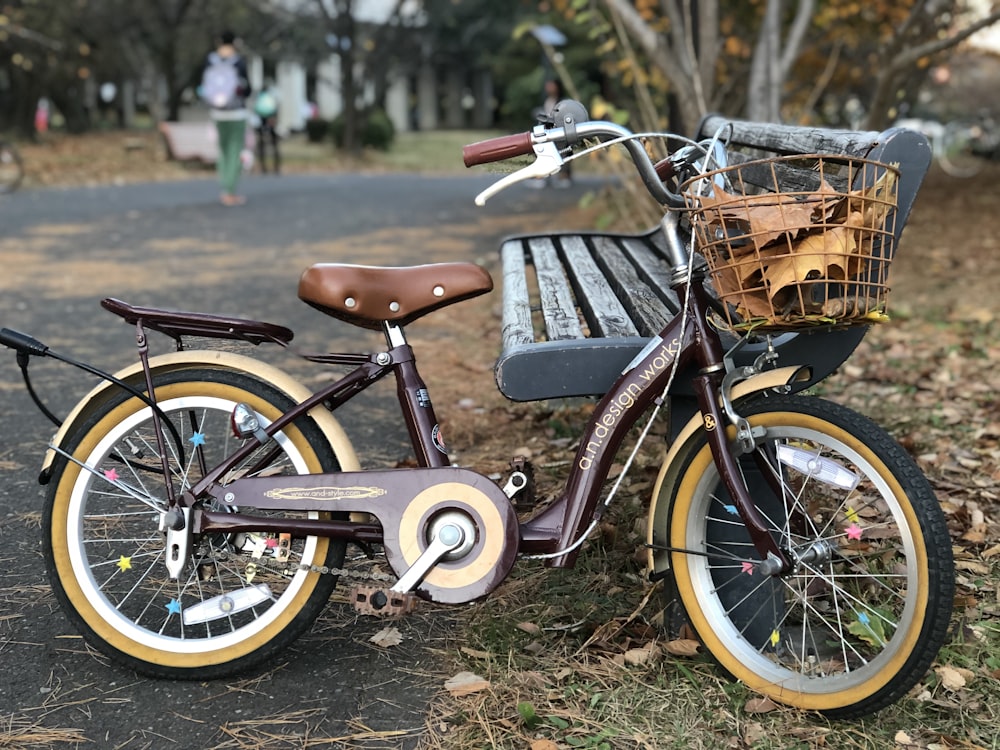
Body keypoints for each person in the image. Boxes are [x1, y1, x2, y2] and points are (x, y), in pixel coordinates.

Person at [202, 31, 251, 206]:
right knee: (234, 150)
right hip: (236, 113)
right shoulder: (238, 62)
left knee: (222, 150)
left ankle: (223, 187)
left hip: (217, 113)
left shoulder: (210, 61)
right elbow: (247, 89)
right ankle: (230, 190)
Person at [253, 81, 281, 174]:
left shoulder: (260, 97)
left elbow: (256, 110)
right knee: (274, 145)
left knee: (261, 145)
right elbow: (275, 109)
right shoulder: (270, 97)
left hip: (261, 121)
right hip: (270, 120)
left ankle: (263, 167)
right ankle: (276, 167)